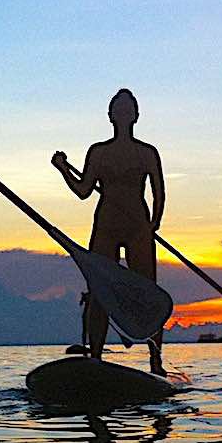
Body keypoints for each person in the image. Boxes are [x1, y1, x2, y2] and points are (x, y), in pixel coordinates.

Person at [51, 90, 167, 375]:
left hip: (139, 228)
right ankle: (95, 358)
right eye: (119, 109)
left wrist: (153, 224)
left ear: (136, 116)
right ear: (111, 116)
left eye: (129, 109)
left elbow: (159, 192)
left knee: (147, 294)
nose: (124, 113)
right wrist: (63, 169)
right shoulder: (98, 152)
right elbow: (83, 190)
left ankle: (156, 362)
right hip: (105, 227)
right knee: (99, 293)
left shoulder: (147, 152)